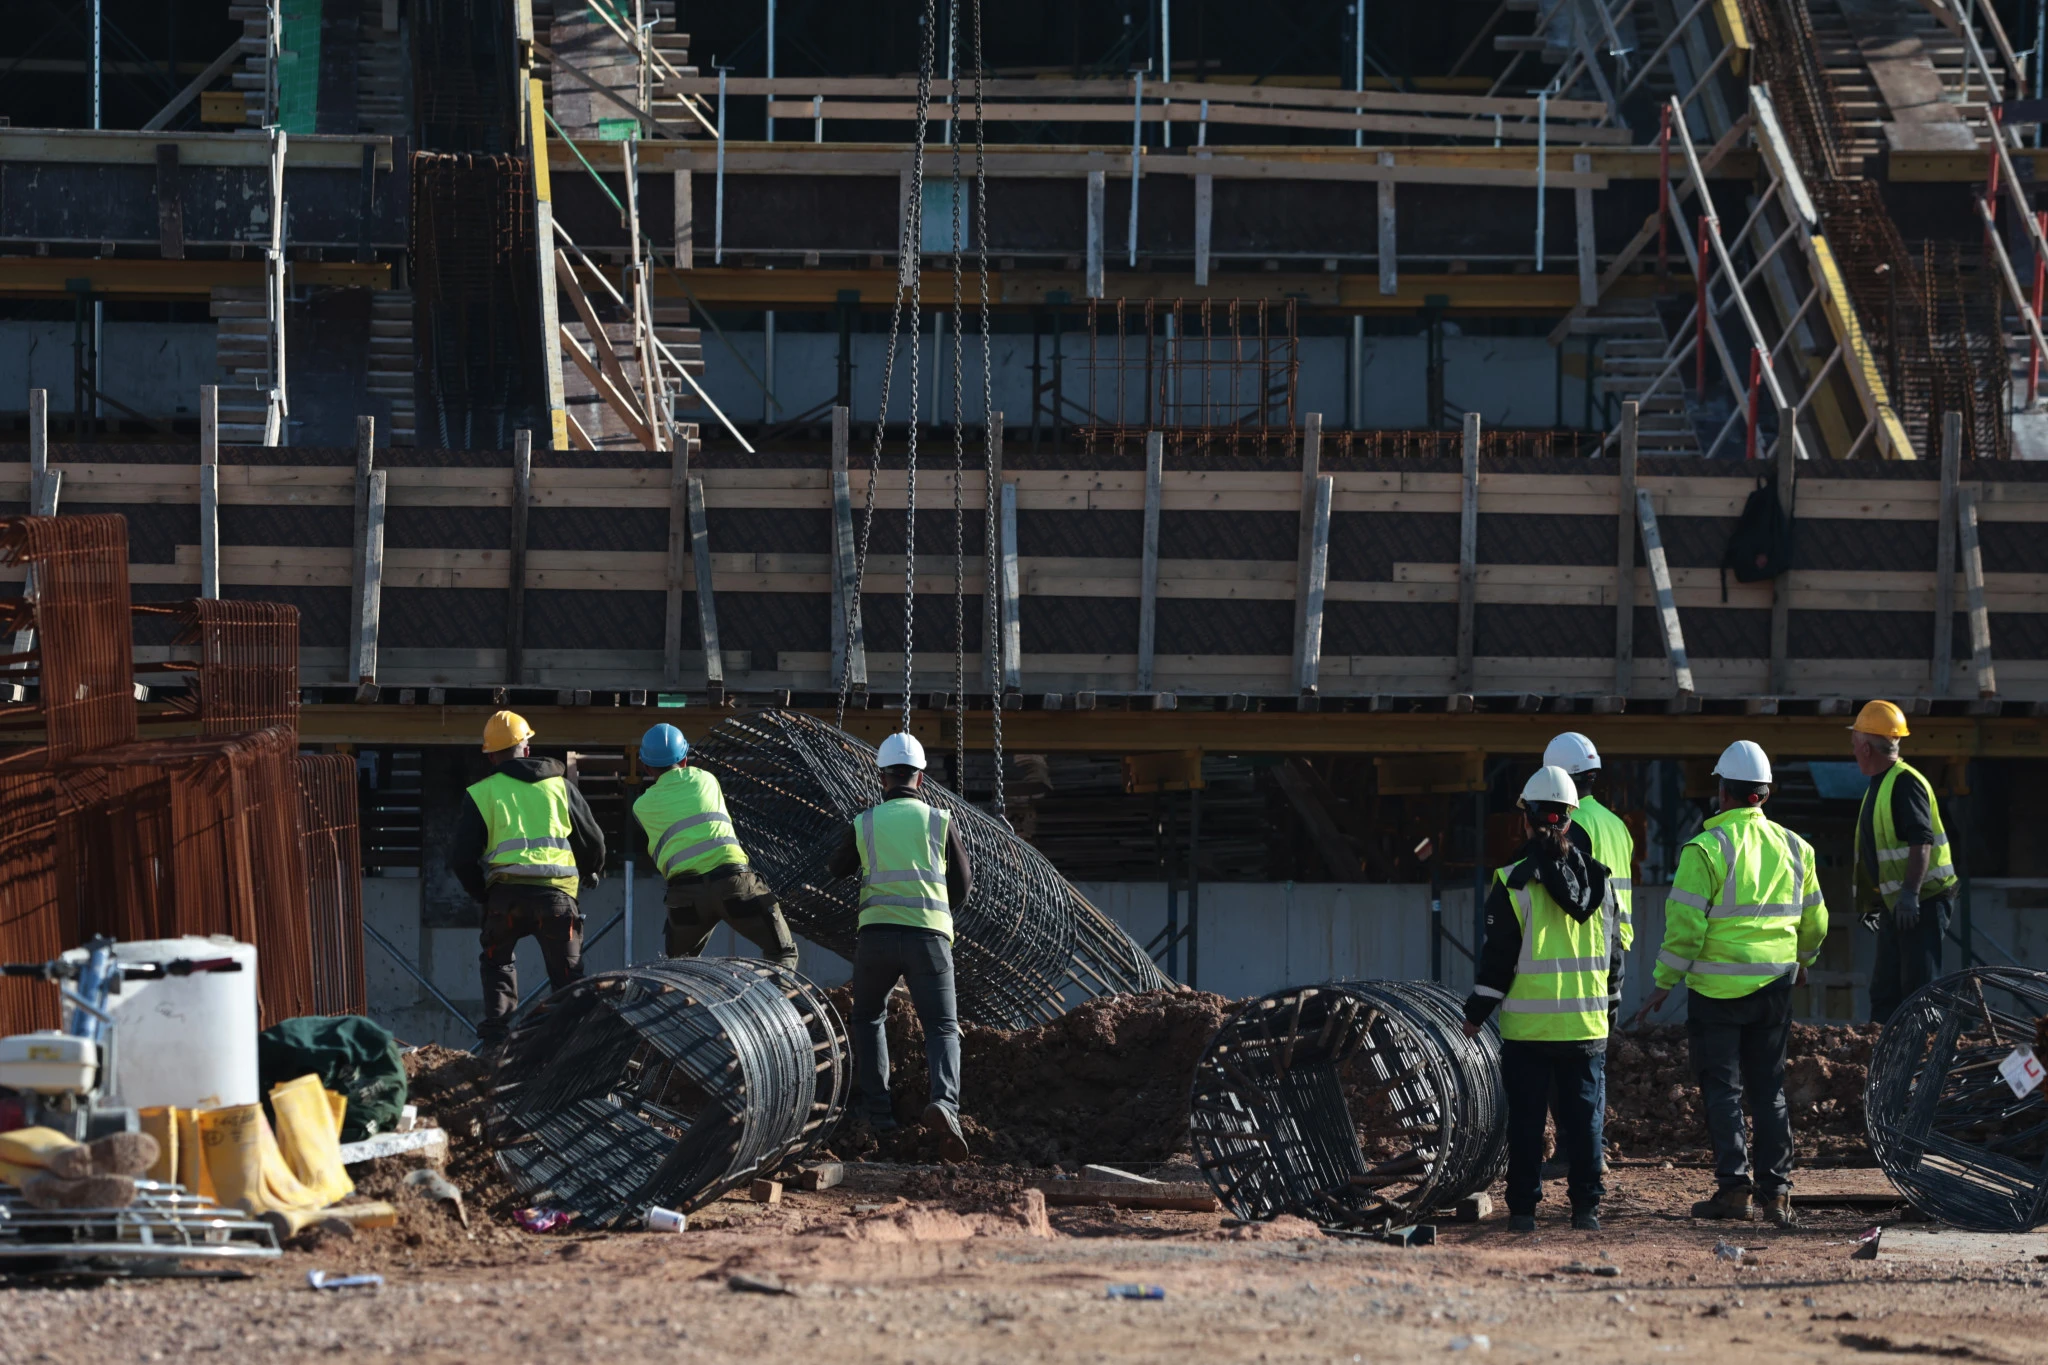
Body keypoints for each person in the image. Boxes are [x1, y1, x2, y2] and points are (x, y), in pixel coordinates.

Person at [1634, 740, 1828, 1228]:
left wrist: (1663, 984)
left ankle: (1735, 1191)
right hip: (1775, 991)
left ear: (1722, 792)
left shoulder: (1705, 849)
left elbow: (1685, 927)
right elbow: (1817, 921)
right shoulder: (1796, 847)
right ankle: (1778, 1194)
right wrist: (1803, 960)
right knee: (1770, 1091)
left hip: (1716, 994)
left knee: (1722, 1090)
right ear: (1764, 794)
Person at [1462, 765, 1623, 1233]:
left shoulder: (1513, 881)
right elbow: (1614, 955)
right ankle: (1586, 1211)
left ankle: (1524, 1213)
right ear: (1570, 820)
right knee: (1585, 1124)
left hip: (1528, 1032)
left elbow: (1499, 960)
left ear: (1525, 819)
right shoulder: (1601, 880)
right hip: (1586, 1028)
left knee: (1527, 1124)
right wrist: (1609, 1006)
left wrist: (1475, 1015)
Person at [825, 732, 974, 1161]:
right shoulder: (939, 821)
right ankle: (945, 1104)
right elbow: (962, 886)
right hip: (929, 938)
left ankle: (880, 1115)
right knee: (943, 1027)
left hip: (876, 938)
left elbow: (836, 869)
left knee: (868, 1016)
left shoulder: (866, 822)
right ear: (921, 779)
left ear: (882, 778)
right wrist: (936, 913)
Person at [452, 711, 606, 1047]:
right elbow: (593, 842)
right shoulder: (560, 788)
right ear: (527, 747)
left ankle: (495, 1045)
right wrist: (591, 870)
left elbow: (462, 857)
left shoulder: (481, 793)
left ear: (491, 755)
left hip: (504, 899)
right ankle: (568, 1048)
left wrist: (484, 894)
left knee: (497, 963)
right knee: (567, 978)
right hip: (556, 901)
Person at [1540, 732, 1636, 1180]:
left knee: (1568, 1060)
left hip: (1585, 952)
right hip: (1616, 950)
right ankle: (1590, 1149)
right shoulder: (1615, 824)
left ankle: (1576, 1154)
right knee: (1591, 1059)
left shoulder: (1574, 826)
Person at [631, 723, 797, 969]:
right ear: (685, 759)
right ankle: (774, 1005)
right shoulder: (705, 779)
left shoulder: (641, 806)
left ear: (645, 766)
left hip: (685, 897)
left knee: (677, 969)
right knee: (782, 954)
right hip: (734, 884)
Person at [1849, 700, 1955, 1025]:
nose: (1853, 749)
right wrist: (1873, 903)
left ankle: (1924, 1063)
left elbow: (1921, 840)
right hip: (1898, 905)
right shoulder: (1879, 786)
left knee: (1918, 993)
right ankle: (1885, 1064)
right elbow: (1875, 852)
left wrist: (1910, 893)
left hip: (1921, 902)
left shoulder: (1905, 783)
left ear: (1866, 748)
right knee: (1886, 992)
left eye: (1855, 742)